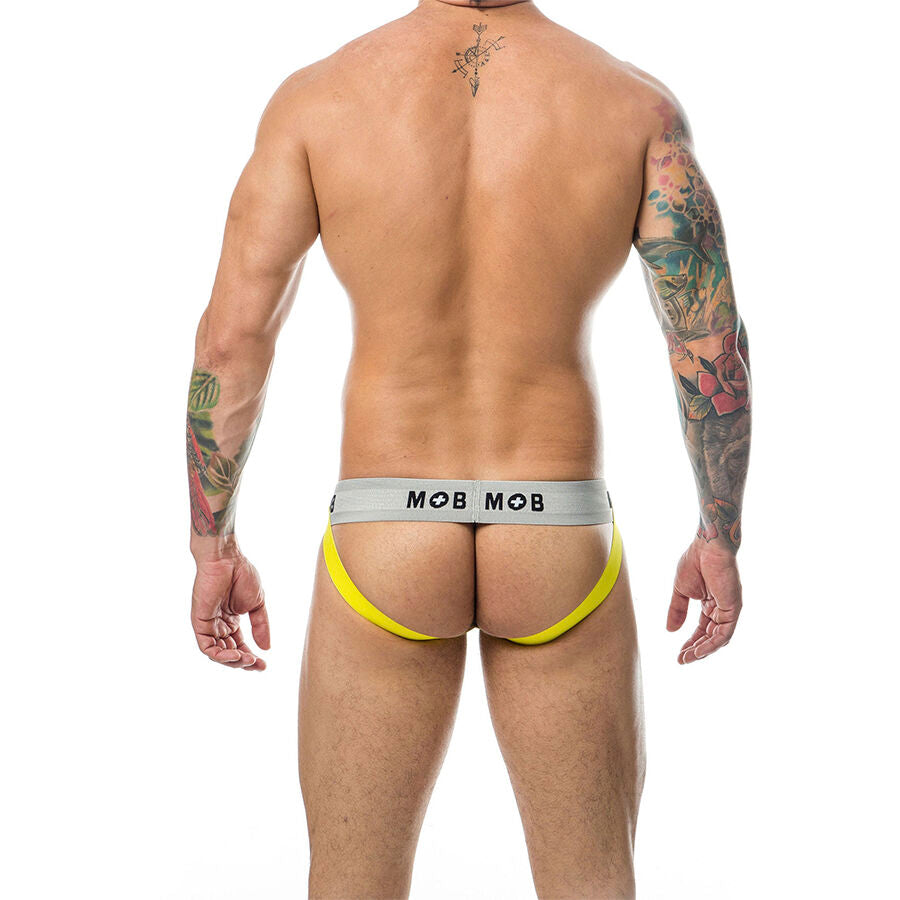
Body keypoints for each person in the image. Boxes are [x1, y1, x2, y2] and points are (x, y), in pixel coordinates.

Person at [184, 0, 751, 896]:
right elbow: (707, 340)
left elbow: (230, 344)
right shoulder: (631, 105)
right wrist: (720, 533)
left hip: (387, 524)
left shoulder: (319, 100)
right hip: (554, 523)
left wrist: (212, 543)